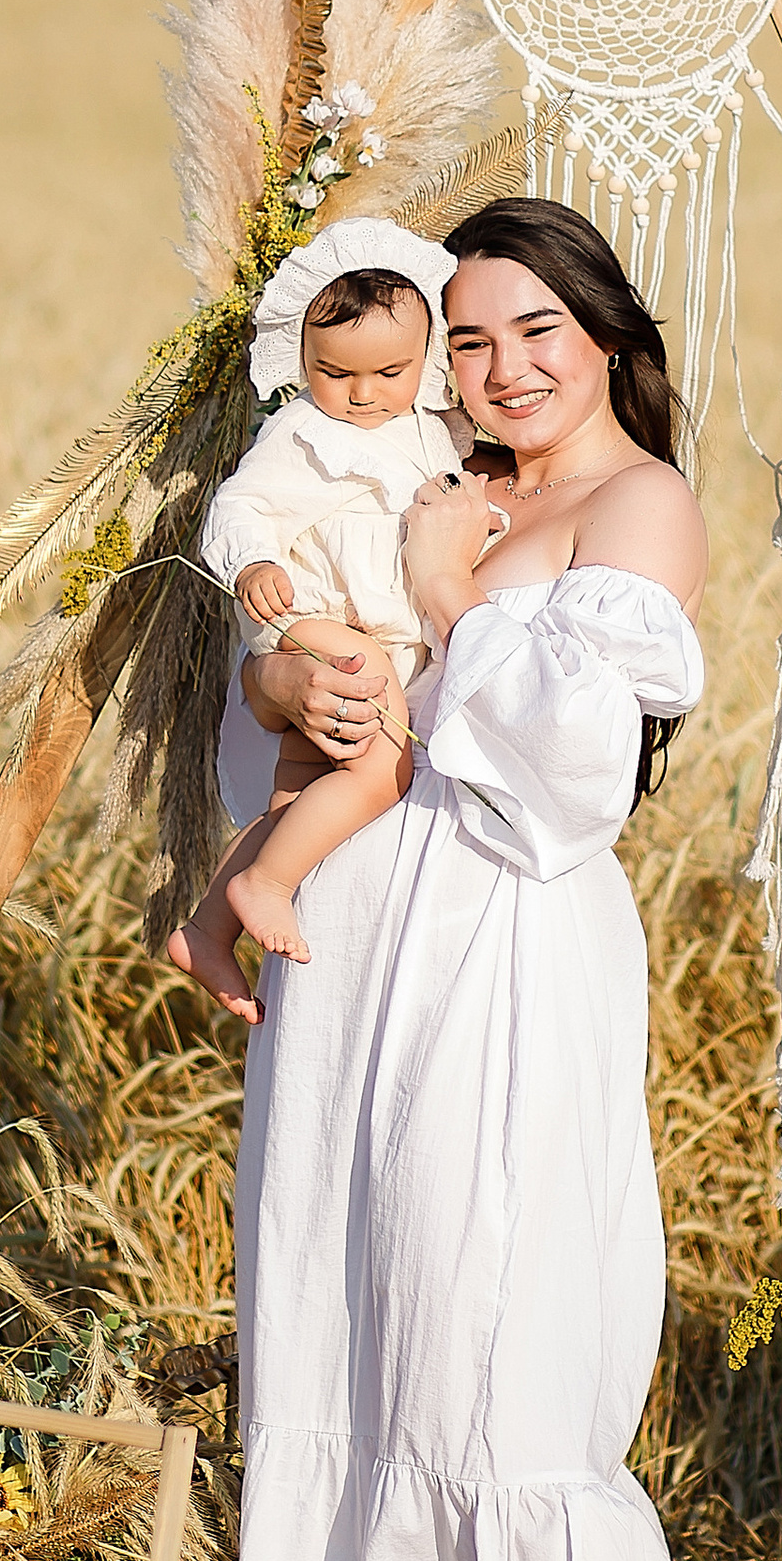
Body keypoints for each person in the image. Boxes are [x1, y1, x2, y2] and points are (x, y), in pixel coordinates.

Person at [225, 193, 723, 1561]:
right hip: (363, 937)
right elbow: (279, 669)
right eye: (473, 336)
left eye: (539, 333)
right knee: (374, 1304)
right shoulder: (427, 473)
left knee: (503, 1310)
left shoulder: (634, 503)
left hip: (507, 942)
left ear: (606, 340)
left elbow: (574, 780)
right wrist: (302, 681)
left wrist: (459, 598)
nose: (503, 369)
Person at [165, 223, 472, 1014]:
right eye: (333, 372)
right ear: (299, 361)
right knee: (384, 766)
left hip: (374, 633)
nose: (361, 392)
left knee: (295, 796)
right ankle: (268, 883)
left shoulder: (431, 430)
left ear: (428, 355)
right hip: (314, 619)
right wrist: (251, 562)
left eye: (389, 371)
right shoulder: (300, 432)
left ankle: (204, 929)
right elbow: (241, 504)